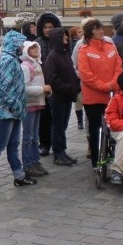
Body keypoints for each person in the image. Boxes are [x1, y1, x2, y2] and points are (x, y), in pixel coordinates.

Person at [0, 30, 38, 191]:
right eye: (19, 43)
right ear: (13, 44)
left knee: (13, 144)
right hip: (6, 110)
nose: (22, 47)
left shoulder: (12, 59)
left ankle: (19, 176)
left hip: (13, 110)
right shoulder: (8, 60)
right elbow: (5, 87)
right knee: (0, 143)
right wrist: (13, 105)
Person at [77, 18, 122, 167]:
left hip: (111, 95)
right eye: (97, 29)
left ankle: (113, 152)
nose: (101, 31)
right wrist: (104, 86)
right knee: (95, 127)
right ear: (90, 33)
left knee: (113, 125)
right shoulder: (84, 51)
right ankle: (96, 160)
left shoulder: (110, 47)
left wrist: (113, 84)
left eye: (101, 28)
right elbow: (85, 74)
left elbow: (119, 68)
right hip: (93, 98)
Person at [45, 28, 81, 167]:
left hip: (66, 96)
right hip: (58, 97)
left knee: (63, 125)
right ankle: (58, 154)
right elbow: (53, 79)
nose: (66, 38)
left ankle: (63, 152)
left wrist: (75, 86)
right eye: (64, 36)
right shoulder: (53, 56)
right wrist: (69, 87)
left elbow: (71, 72)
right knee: (58, 126)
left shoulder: (64, 54)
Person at [20, 41, 50, 178]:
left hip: (37, 103)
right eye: (32, 48)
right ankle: (28, 164)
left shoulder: (37, 64)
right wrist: (42, 90)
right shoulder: (26, 67)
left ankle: (35, 161)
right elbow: (24, 89)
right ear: (26, 51)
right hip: (29, 105)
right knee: (28, 137)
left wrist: (46, 92)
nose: (36, 50)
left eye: (36, 47)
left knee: (35, 137)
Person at [35, 12, 61, 156]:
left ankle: (57, 145)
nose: (47, 30)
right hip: (42, 85)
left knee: (57, 119)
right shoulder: (37, 43)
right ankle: (44, 144)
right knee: (43, 118)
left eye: (50, 27)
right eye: (45, 27)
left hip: (56, 85)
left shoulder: (58, 43)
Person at [68, 26, 84, 130]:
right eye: (79, 32)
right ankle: (80, 121)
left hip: (83, 75)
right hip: (77, 76)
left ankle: (82, 120)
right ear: (74, 35)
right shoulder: (73, 45)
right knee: (78, 100)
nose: (82, 33)